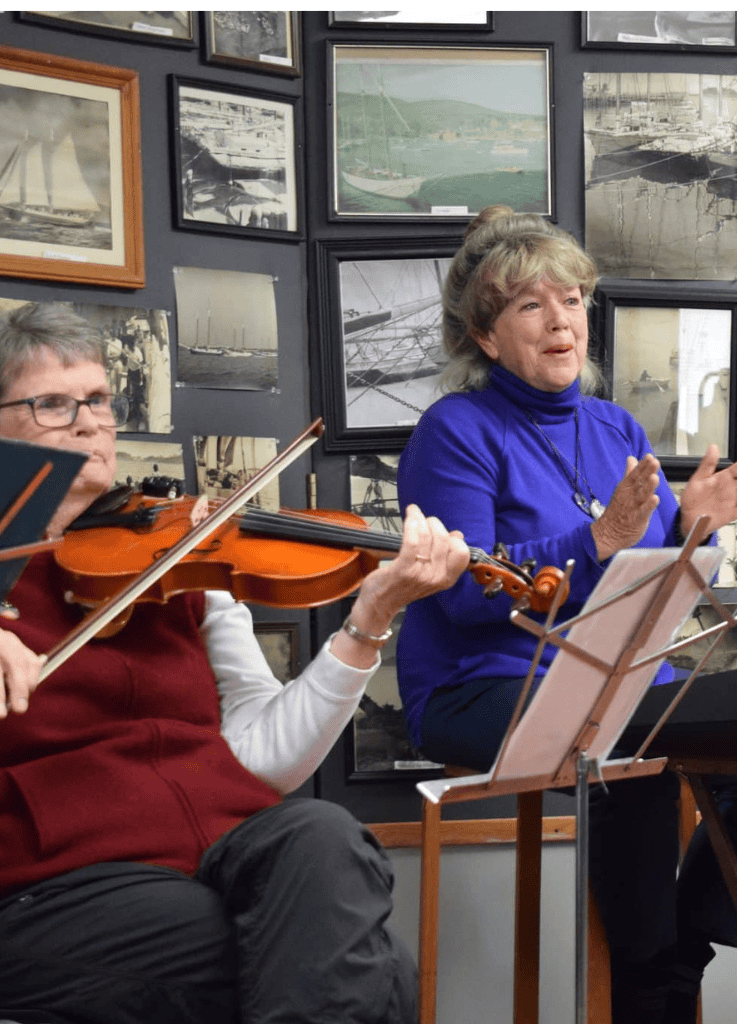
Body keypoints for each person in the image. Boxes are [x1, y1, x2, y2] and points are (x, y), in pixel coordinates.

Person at [0, 301, 471, 1024]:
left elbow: (262, 753)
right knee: (375, 972)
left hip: (221, 845)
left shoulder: (179, 556)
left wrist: (370, 617)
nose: (89, 422)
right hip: (59, 881)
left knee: (323, 832)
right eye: (52, 404)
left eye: (97, 399)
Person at [396, 205, 737, 1024]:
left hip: (615, 672)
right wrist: (600, 535)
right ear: (487, 337)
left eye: (571, 298)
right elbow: (464, 595)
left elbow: (640, 584)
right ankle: (649, 983)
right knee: (622, 730)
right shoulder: (452, 431)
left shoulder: (616, 426)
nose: (561, 320)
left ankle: (686, 945)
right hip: (477, 685)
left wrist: (685, 530)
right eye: (531, 305)